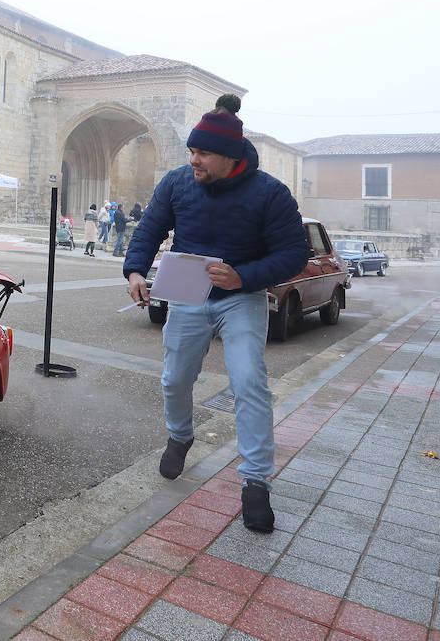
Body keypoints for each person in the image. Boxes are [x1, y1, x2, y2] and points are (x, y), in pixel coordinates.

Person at [124, 94, 307, 533]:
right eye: (191, 151)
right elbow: (151, 228)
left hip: (241, 298)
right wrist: (134, 270)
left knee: (248, 382)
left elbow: (295, 254)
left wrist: (242, 276)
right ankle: (181, 435)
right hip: (187, 295)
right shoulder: (177, 183)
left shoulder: (270, 193)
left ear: (228, 156)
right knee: (174, 378)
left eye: (202, 152)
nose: (193, 160)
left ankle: (256, 481)